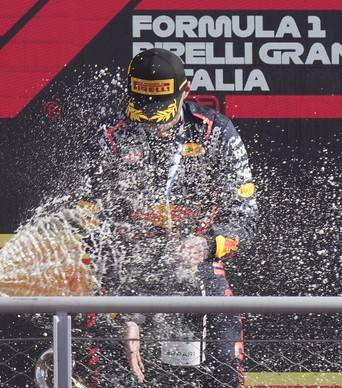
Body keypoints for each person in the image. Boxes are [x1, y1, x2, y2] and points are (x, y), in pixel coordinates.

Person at [82, 48, 257, 387]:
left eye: (159, 112)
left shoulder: (215, 131)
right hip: (125, 267)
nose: (150, 122)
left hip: (197, 264)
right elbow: (87, 216)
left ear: (185, 91)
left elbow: (245, 215)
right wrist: (122, 313)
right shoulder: (108, 134)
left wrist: (206, 245)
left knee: (222, 357)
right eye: (141, 109)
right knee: (117, 364)